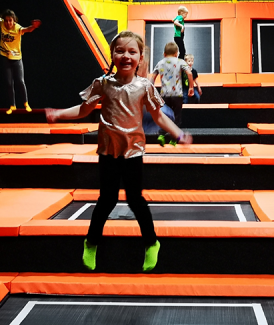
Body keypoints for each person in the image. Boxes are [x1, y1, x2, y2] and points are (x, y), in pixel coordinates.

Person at [45, 30, 192, 272]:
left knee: (136, 199)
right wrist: (59, 114)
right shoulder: (103, 84)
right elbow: (83, 110)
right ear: (112, 55)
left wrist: (178, 133)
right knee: (106, 199)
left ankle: (151, 243)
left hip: (133, 151)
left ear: (140, 57)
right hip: (108, 152)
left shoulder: (144, 86)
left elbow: (158, 117)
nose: (126, 55)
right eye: (120, 50)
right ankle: (91, 243)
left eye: (132, 51)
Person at [0, 0, 41, 114]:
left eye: (10, 21)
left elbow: (27, 29)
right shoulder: (1, 23)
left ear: (14, 21)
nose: (8, 23)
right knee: (9, 82)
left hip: (17, 59)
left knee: (20, 81)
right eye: (7, 20)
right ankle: (12, 105)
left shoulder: (17, 28)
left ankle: (26, 103)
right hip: (5, 57)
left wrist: (33, 26)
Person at [151, 42, 193, 146]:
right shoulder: (180, 61)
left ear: (164, 54)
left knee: (164, 115)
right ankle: (174, 138)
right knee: (177, 115)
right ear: (176, 53)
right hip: (177, 94)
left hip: (164, 94)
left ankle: (161, 134)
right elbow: (189, 73)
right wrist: (191, 87)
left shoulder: (160, 62)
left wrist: (151, 91)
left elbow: (152, 77)